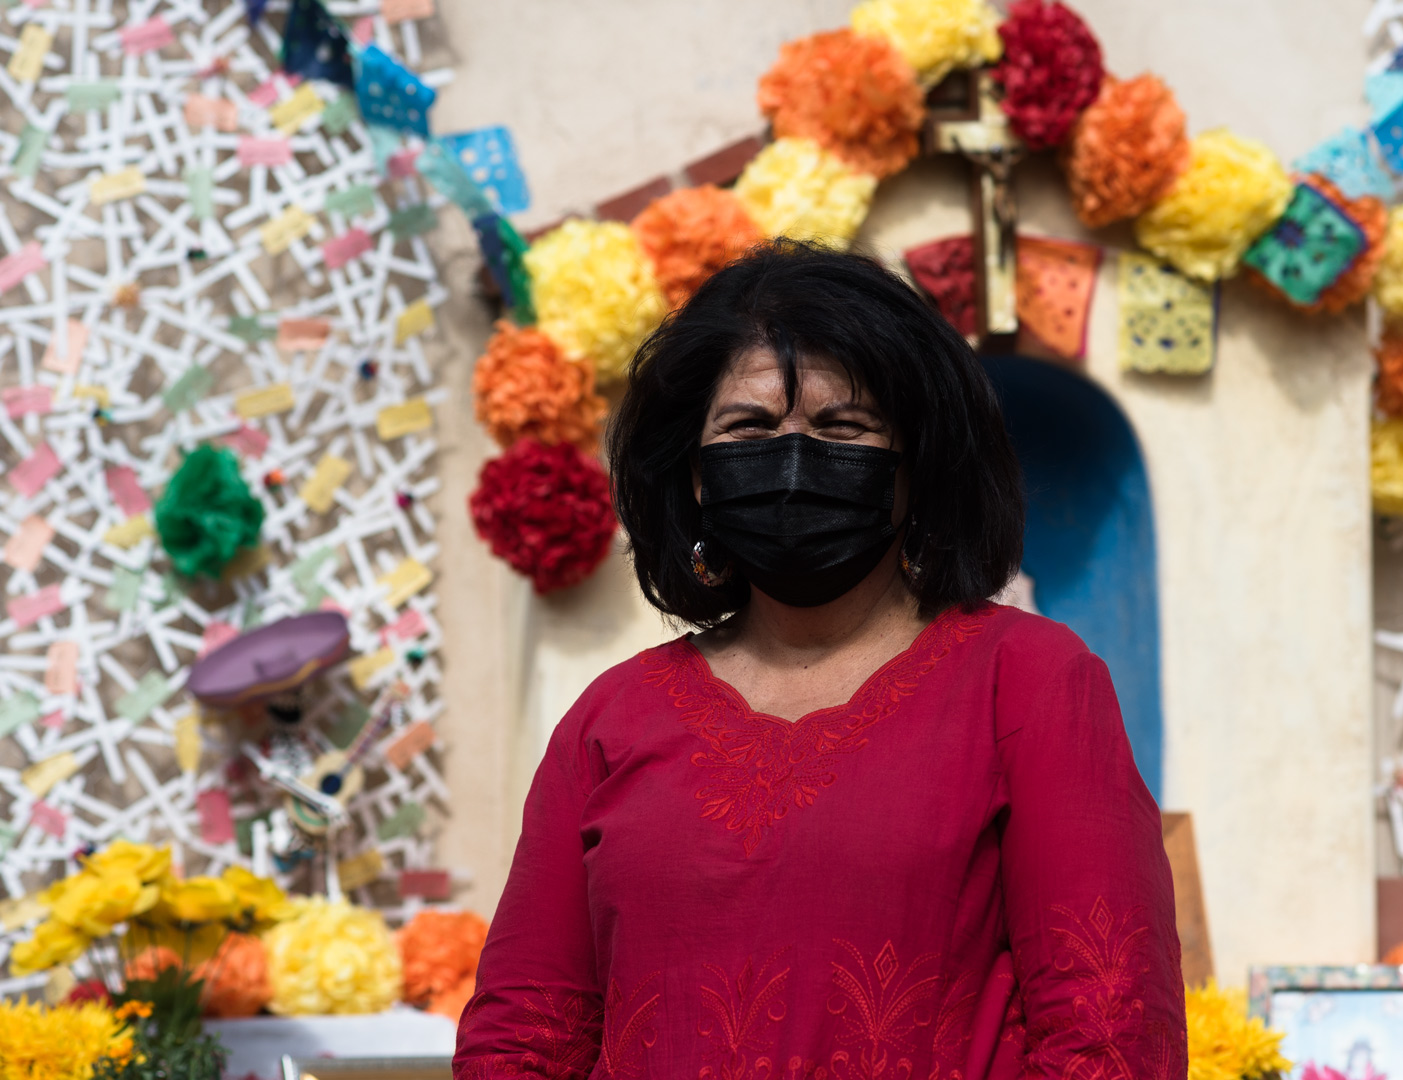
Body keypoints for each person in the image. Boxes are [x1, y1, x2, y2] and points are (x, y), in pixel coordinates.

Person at [454, 241, 1185, 1080]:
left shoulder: (1026, 682)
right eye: (749, 427)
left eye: (844, 427)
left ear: (917, 467)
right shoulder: (611, 719)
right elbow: (520, 1040)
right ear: (695, 475)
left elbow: (1110, 1032)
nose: (793, 456)